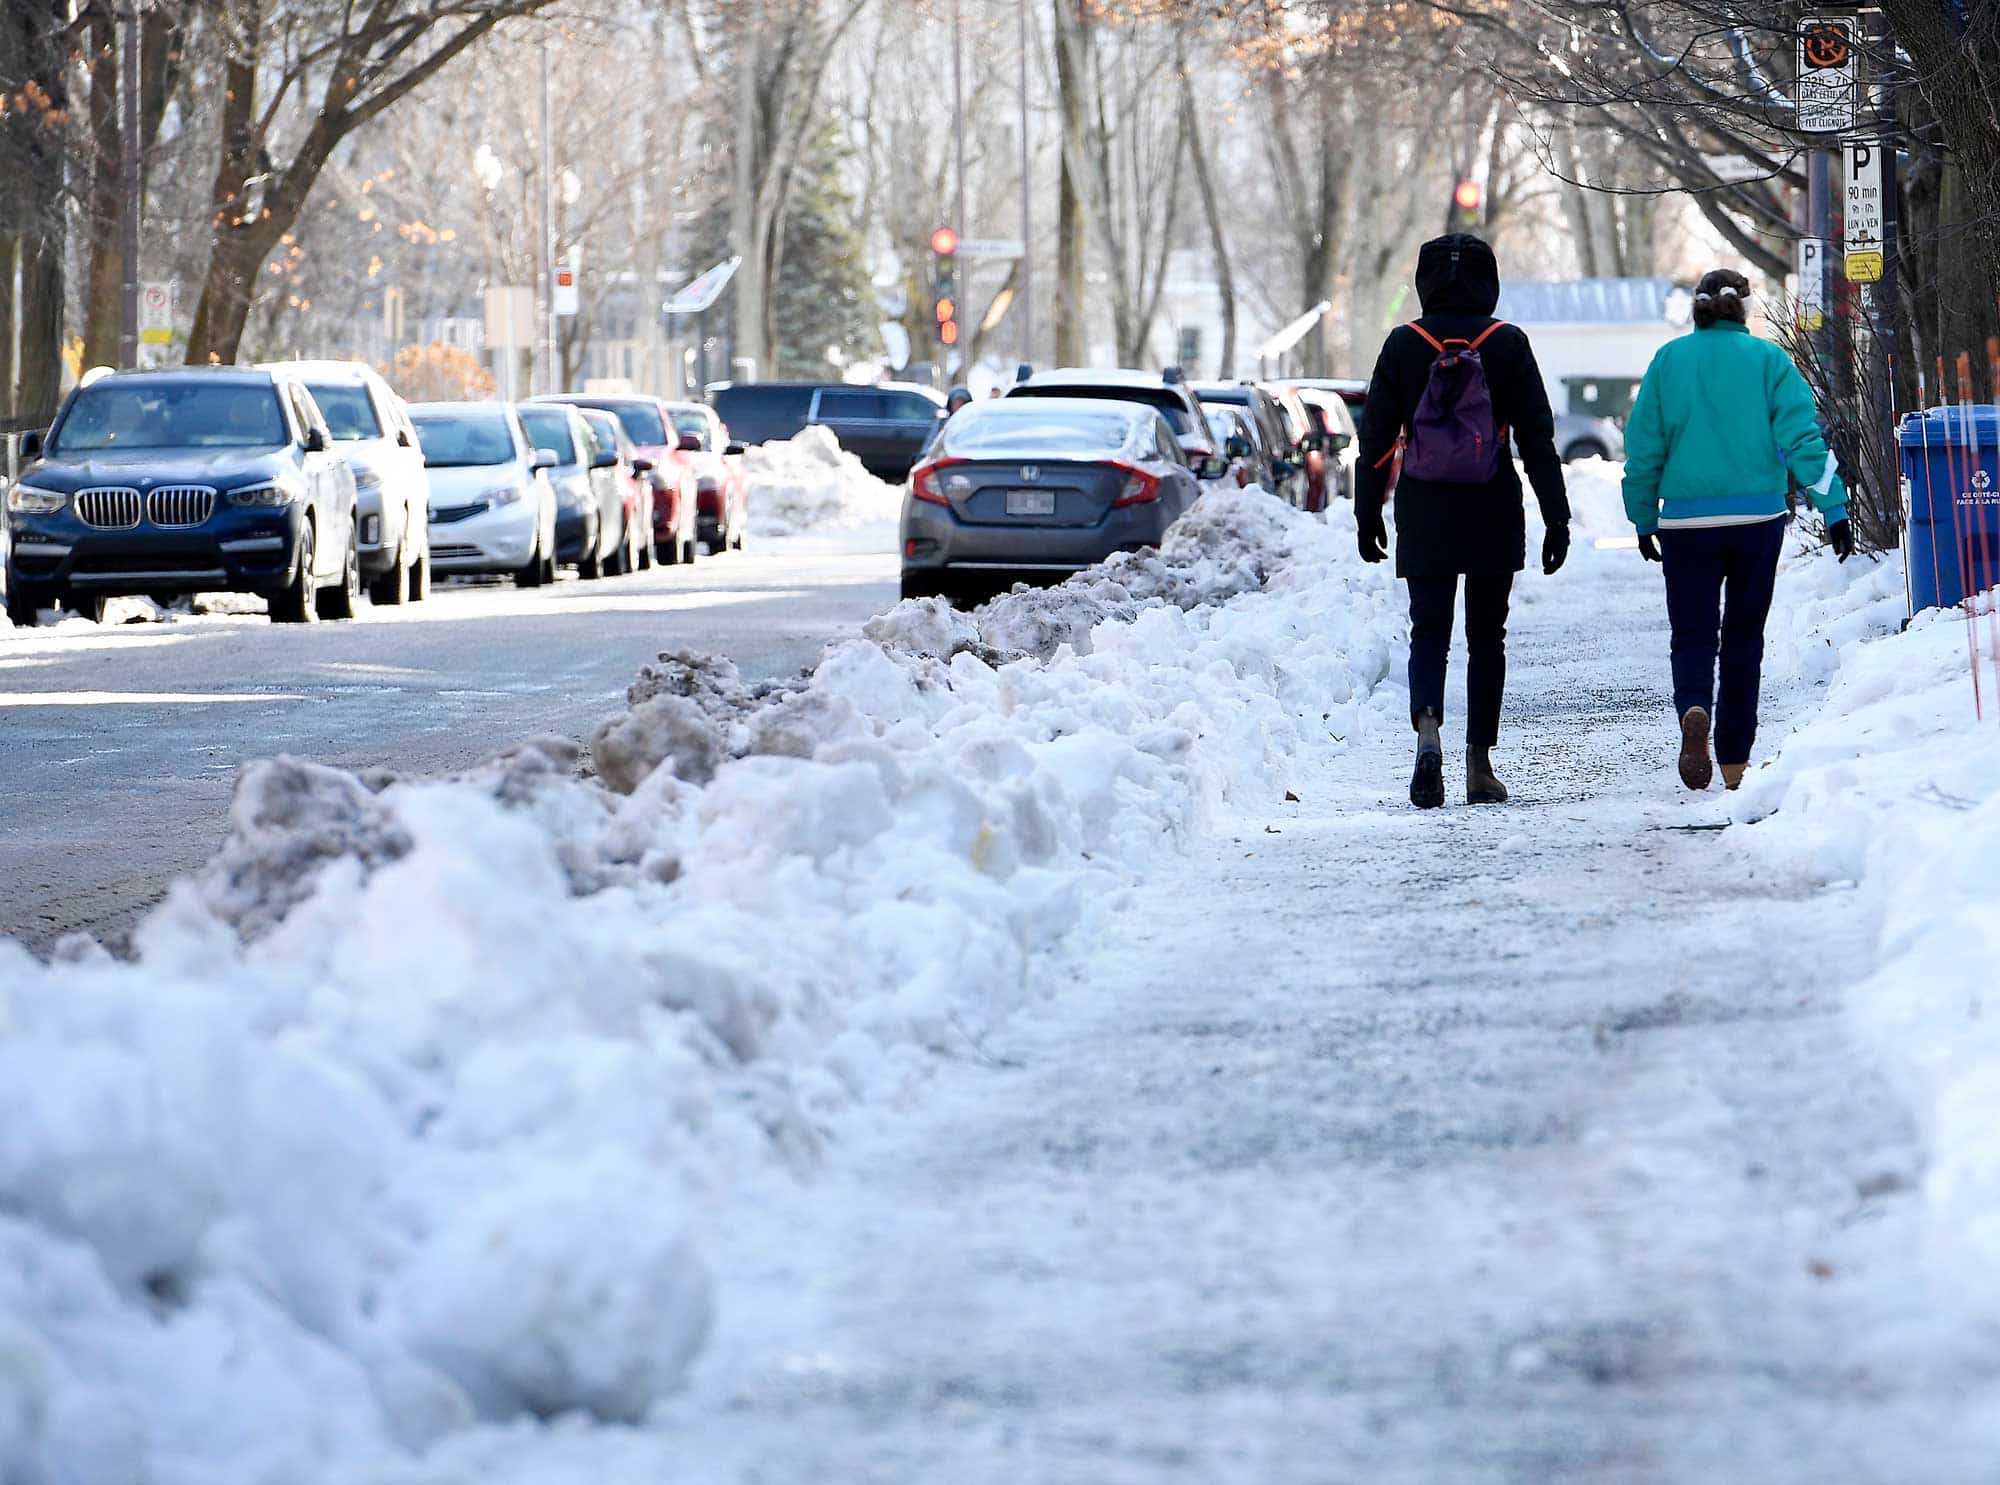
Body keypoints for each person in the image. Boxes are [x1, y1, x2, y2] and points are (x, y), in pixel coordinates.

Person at [1355, 233, 1570, 810]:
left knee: (1428, 630)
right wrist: (1556, 517)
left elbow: (1375, 440)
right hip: (1491, 504)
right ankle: (1479, 763)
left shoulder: (1404, 344)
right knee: (1486, 637)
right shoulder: (1508, 343)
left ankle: (1428, 733)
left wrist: (1366, 510)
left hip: (1424, 506)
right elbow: (1538, 439)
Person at [1621, 268, 1853, 793]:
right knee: (1745, 638)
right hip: (1756, 521)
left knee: (1692, 634)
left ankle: (1694, 708)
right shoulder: (1770, 361)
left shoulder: (1668, 361)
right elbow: (1802, 439)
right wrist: (1834, 508)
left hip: (1686, 523)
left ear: (1697, 308)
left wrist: (1643, 517)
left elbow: (1644, 449)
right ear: (1745, 308)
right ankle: (1734, 763)